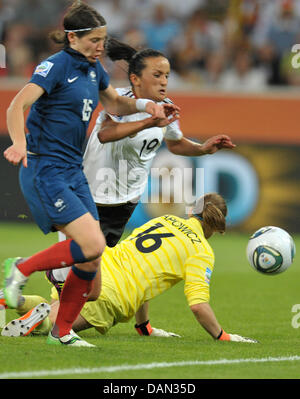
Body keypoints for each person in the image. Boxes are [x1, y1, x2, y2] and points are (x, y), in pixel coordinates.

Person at [2, 2, 178, 348]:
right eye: (95, 40)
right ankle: (20, 269)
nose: (102, 47)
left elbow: (114, 104)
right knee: (93, 243)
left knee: (93, 286)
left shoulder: (93, 69)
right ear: (73, 37)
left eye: (103, 39)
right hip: (46, 167)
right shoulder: (54, 66)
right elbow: (16, 105)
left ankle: (59, 331)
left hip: (72, 171)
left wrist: (149, 107)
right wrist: (19, 143)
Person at [46, 37, 236, 293]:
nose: (164, 81)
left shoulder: (165, 108)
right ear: (135, 79)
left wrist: (203, 149)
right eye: (157, 75)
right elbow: (106, 133)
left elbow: (175, 143)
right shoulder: (119, 101)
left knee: (88, 289)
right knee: (83, 287)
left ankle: (51, 309)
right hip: (91, 197)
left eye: (167, 75)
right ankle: (31, 275)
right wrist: (148, 122)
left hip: (124, 203)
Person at [2, 193, 258, 344]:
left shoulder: (163, 219)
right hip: (112, 296)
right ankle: (35, 320)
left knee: (55, 304)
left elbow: (142, 272)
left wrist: (144, 326)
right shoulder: (201, 250)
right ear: (217, 224)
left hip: (93, 271)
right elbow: (198, 305)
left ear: (192, 210)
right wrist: (223, 336)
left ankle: (16, 299)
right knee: (55, 328)